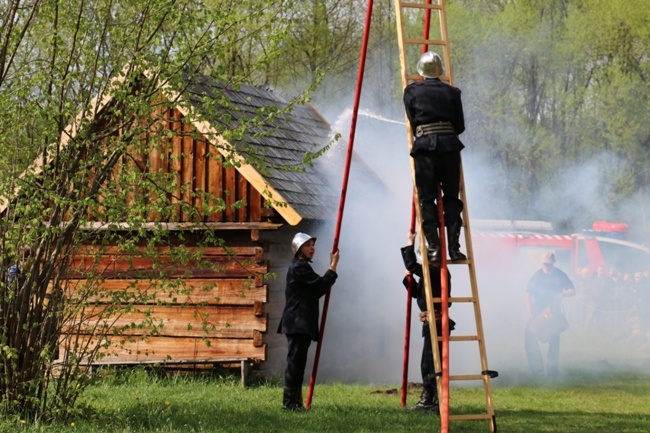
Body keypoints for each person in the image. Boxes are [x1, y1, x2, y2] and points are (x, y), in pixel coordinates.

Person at [403, 51, 467, 262]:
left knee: (427, 198)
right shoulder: (453, 92)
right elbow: (460, 126)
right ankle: (455, 248)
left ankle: (433, 247)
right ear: (440, 71)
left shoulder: (411, 91)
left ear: (421, 71)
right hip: (449, 148)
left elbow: (413, 122)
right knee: (451, 197)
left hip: (425, 150)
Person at [277, 232, 340, 411]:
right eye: (308, 245)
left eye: (313, 244)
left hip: (300, 324)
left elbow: (317, 290)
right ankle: (289, 404)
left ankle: (294, 402)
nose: (312, 248)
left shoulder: (302, 266)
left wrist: (330, 273)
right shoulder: (299, 267)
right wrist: (333, 266)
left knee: (298, 364)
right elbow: (320, 285)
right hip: (297, 323)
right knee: (295, 365)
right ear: (299, 249)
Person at [401, 231, 455, 413]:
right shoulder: (432, 271)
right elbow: (418, 293)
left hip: (437, 322)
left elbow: (411, 263)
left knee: (432, 363)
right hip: (432, 322)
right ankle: (430, 399)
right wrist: (409, 279)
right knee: (428, 362)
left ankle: (434, 401)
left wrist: (410, 241)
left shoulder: (435, 270)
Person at [524, 251, 575, 377]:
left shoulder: (559, 274)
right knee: (529, 336)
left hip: (554, 310)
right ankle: (536, 368)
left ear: (554, 263)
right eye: (544, 264)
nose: (546, 267)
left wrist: (561, 294)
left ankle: (552, 371)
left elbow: (572, 290)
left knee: (554, 340)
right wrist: (530, 312)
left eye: (548, 264)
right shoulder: (537, 275)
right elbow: (528, 293)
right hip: (537, 310)